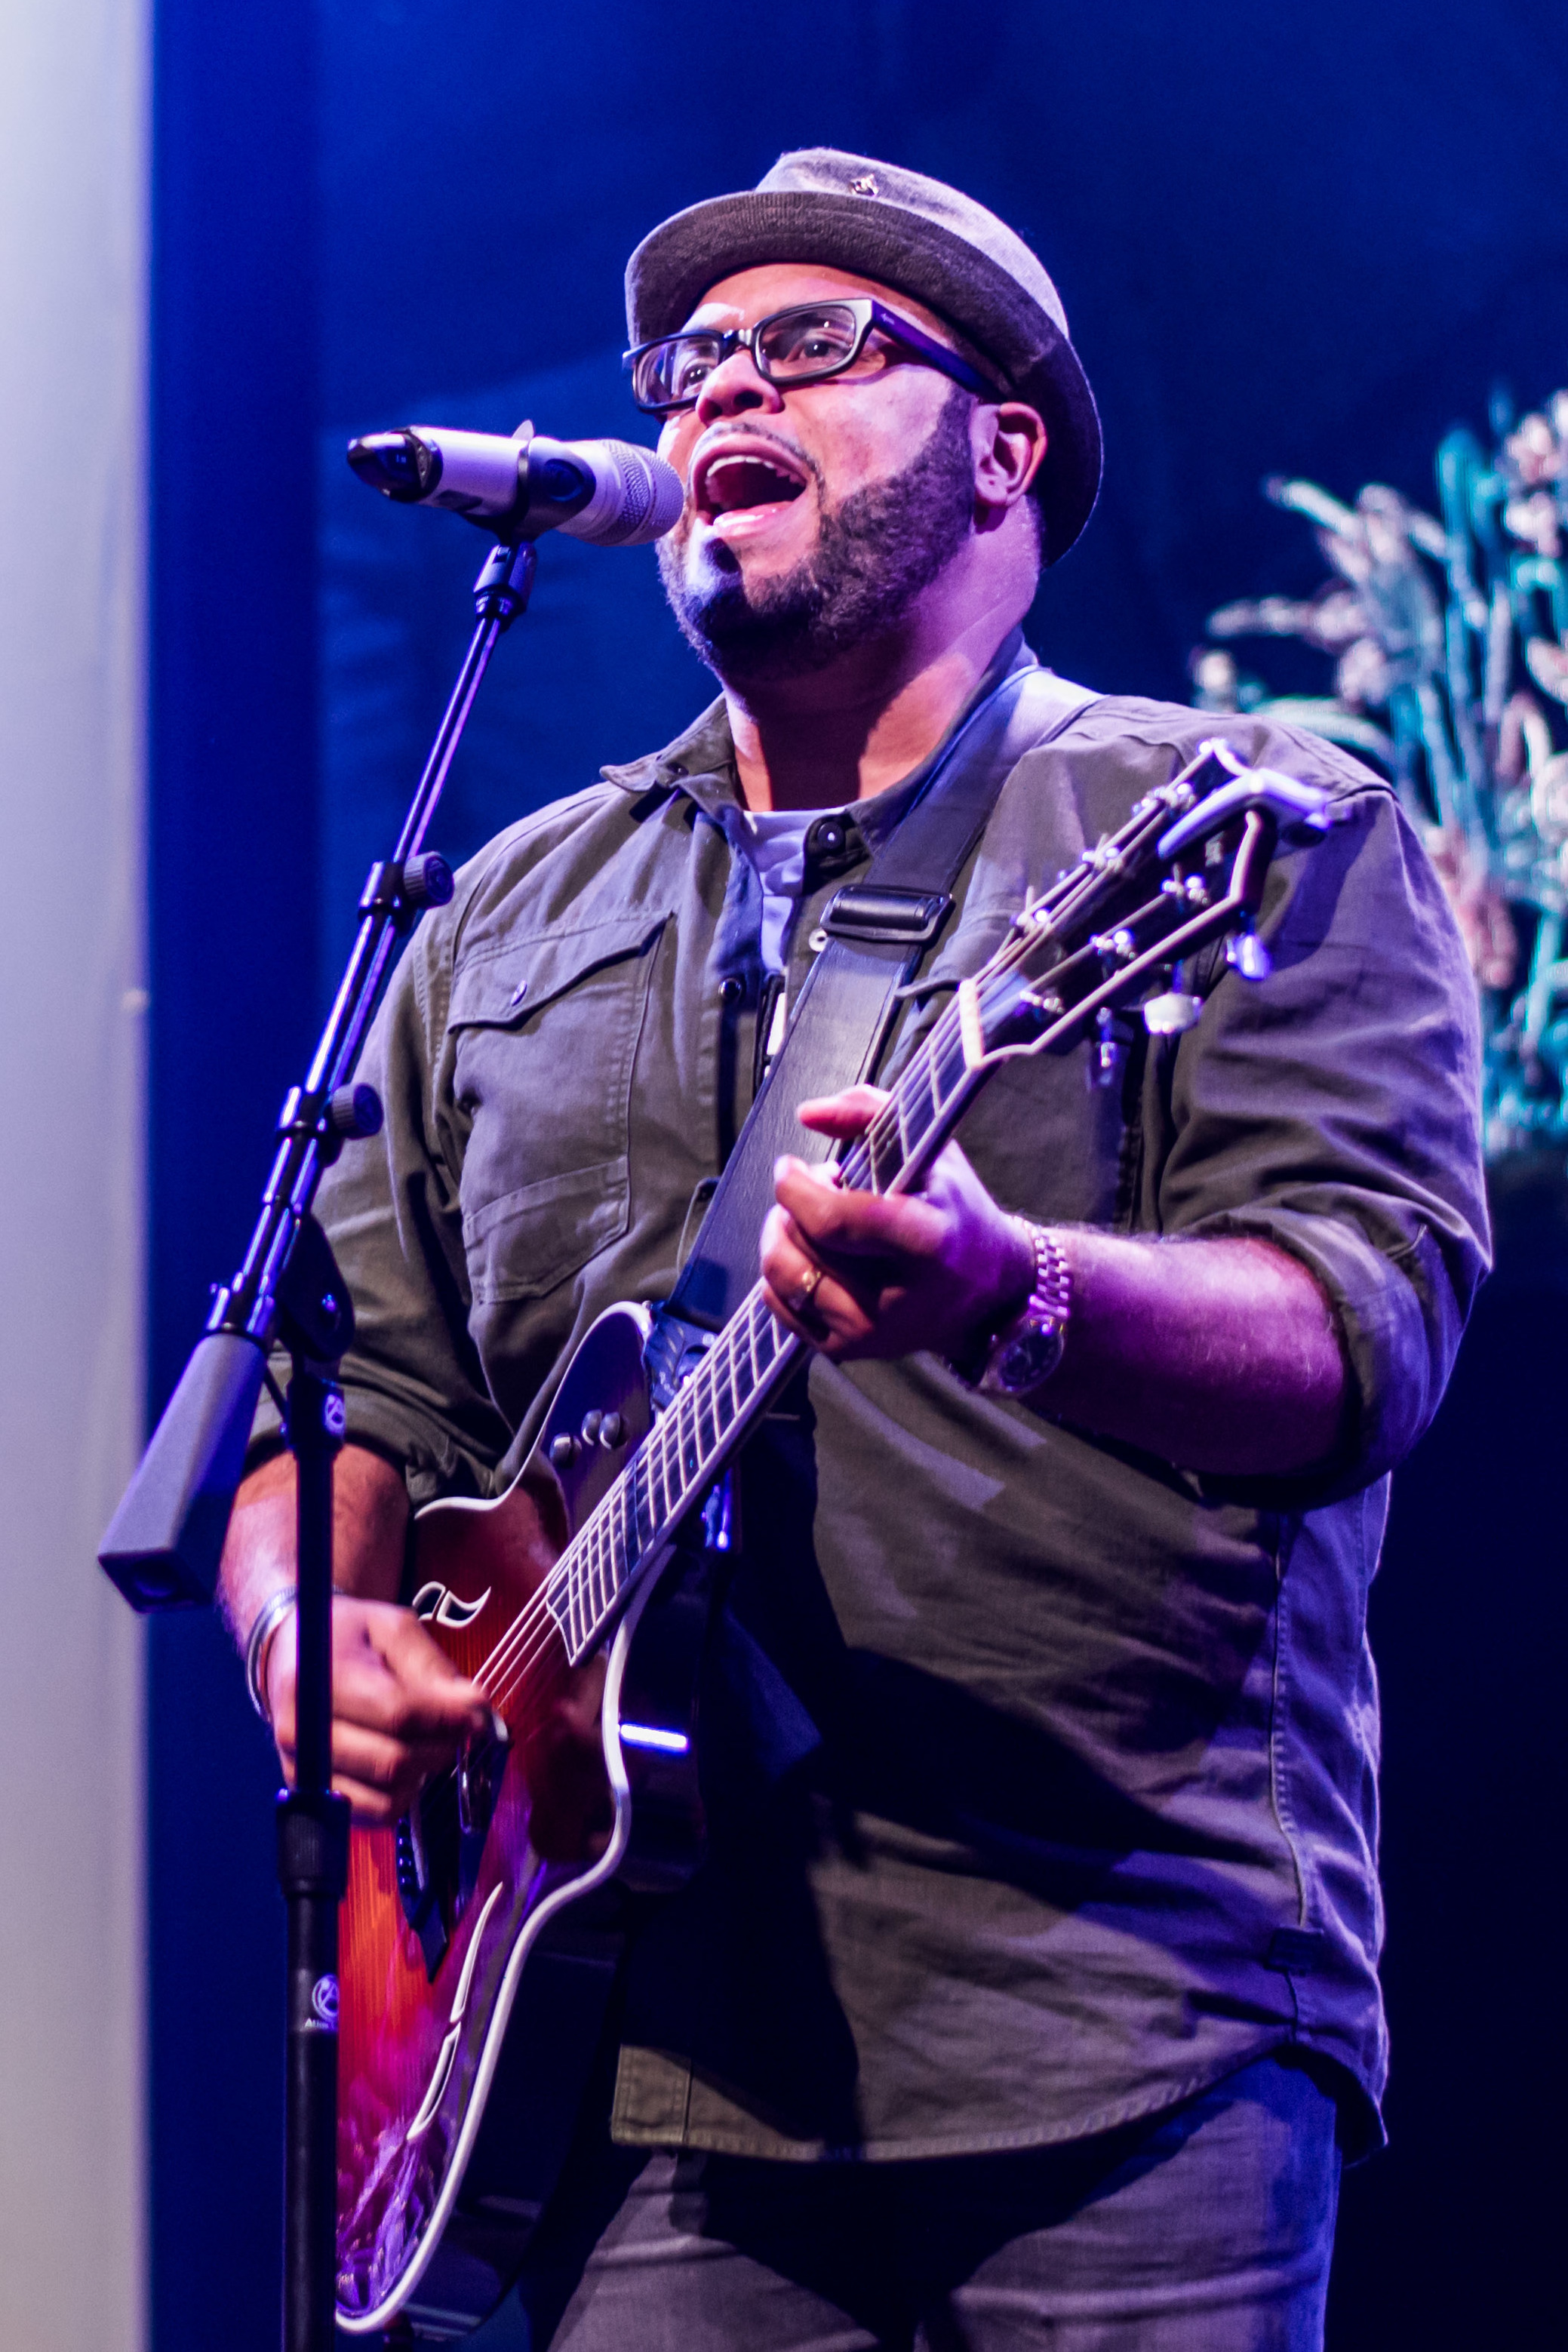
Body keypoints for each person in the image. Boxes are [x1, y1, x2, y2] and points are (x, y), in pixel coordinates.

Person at [219, 150, 1489, 2348]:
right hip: (617, 2053)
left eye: (815, 344)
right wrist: (299, 1630)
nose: (728, 384)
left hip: (1121, 2029)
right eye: (693, 359)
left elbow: (1361, 1332)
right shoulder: (503, 912)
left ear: (1007, 450)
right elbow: (352, 1403)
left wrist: (1019, 1296)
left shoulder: (1228, 829)